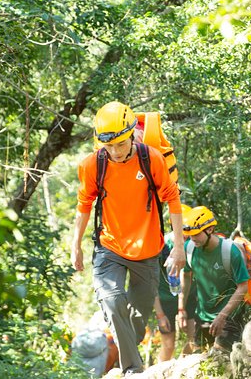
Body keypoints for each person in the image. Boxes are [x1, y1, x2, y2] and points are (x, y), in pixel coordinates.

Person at [70, 101, 185, 375]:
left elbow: (173, 200)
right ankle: (132, 369)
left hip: (147, 249)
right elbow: (84, 205)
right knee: (112, 299)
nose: (114, 151)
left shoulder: (151, 159)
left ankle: (129, 344)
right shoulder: (93, 165)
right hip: (109, 246)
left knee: (137, 319)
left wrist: (178, 247)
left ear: (132, 134)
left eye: (120, 144)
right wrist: (75, 245)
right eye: (108, 146)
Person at [178, 206, 249, 352]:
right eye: (190, 235)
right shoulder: (189, 248)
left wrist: (223, 315)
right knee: (196, 357)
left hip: (229, 318)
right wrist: (181, 309)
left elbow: (243, 287)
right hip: (203, 316)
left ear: (209, 230)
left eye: (196, 234)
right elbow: (185, 277)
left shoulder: (230, 252)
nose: (192, 238)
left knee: (219, 360)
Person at [153, 228, 197, 362]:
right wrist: (160, 314)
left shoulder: (193, 243)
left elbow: (189, 276)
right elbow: (150, 282)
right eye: (182, 229)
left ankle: (183, 370)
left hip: (188, 297)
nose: (185, 234)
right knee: (168, 346)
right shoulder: (161, 244)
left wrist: (182, 308)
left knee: (194, 342)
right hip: (165, 301)